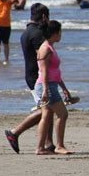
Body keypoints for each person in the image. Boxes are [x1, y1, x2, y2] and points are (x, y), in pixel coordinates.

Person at [4, 3, 55, 154]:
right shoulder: (37, 34)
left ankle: (49, 143)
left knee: (48, 109)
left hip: (32, 74)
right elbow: (43, 58)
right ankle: (15, 132)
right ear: (44, 17)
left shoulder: (27, 31)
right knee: (47, 109)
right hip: (37, 76)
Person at [35, 20, 74, 155]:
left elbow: (54, 71)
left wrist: (64, 88)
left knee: (46, 116)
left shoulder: (49, 47)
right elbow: (44, 71)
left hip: (50, 85)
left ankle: (40, 148)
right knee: (62, 114)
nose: (61, 35)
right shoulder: (45, 48)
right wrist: (46, 90)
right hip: (46, 86)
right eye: (60, 32)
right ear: (54, 33)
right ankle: (59, 146)